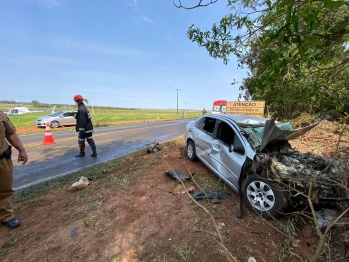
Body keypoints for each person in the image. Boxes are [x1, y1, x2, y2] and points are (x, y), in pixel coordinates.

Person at [0, 110, 28, 229]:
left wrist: (21, 150)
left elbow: (10, 134)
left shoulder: (1, 115)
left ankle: (6, 216)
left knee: (5, 189)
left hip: (1, 159)